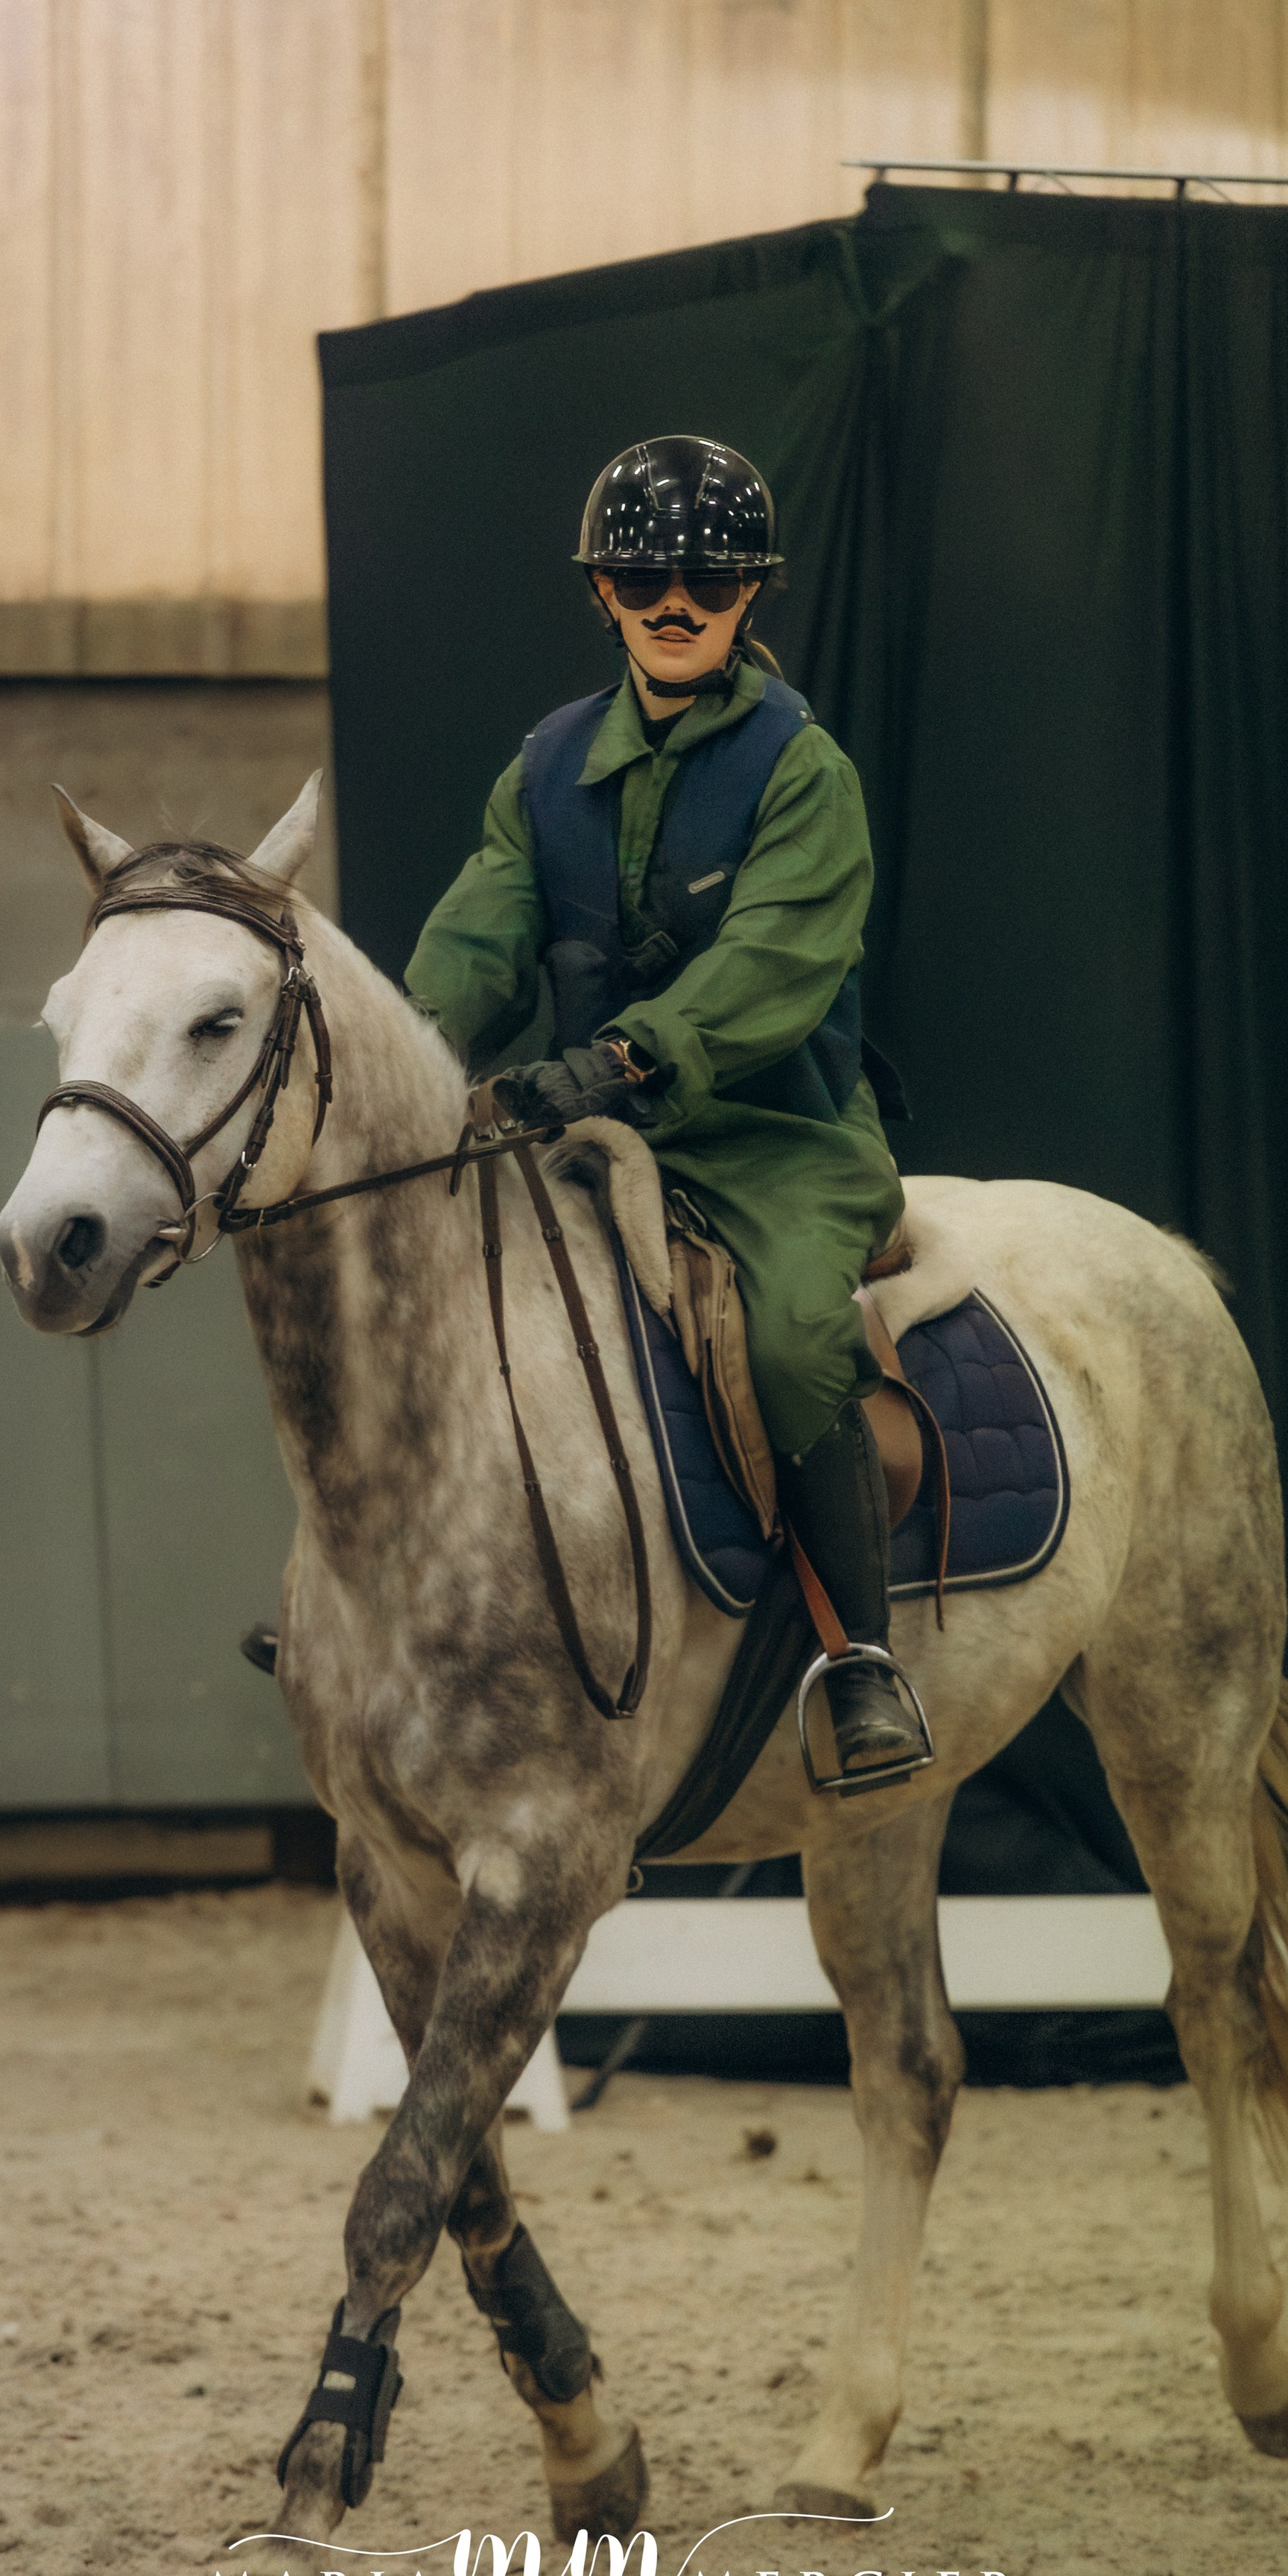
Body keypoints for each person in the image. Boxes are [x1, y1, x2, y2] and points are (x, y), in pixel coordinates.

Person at [405, 434, 923, 1779]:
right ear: (603, 591)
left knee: (802, 1335)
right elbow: (480, 932)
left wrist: (622, 1062)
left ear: (754, 590)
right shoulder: (544, 767)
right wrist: (408, 1056)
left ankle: (858, 1656)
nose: (674, 595)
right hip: (593, 1140)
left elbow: (768, 974)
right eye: (644, 571)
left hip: (778, 1144)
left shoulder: (807, 772)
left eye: (708, 571)